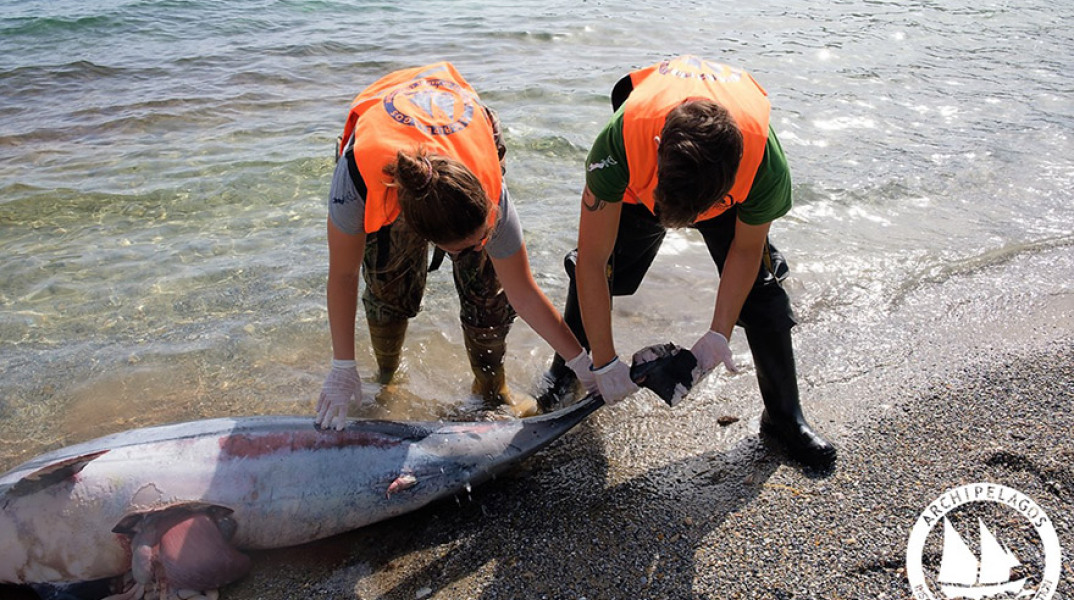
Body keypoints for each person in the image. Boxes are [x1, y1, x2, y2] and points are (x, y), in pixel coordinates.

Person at [538, 55, 836, 467]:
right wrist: (605, 362)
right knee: (608, 273)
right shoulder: (617, 144)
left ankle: (785, 417)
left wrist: (718, 335)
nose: (689, 226)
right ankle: (566, 375)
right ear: (657, 150)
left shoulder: (765, 165)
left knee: (762, 294)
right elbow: (593, 259)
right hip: (648, 183)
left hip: (712, 187)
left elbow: (746, 251)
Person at [316, 62, 597, 430]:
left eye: (485, 233)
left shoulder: (488, 188)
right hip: (386, 138)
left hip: (457, 132)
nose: (484, 243)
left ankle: (490, 389)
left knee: (488, 291)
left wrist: (583, 365)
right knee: (388, 284)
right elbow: (343, 275)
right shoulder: (356, 182)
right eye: (468, 245)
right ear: (430, 240)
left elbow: (523, 292)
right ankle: (387, 379)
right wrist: (343, 367)